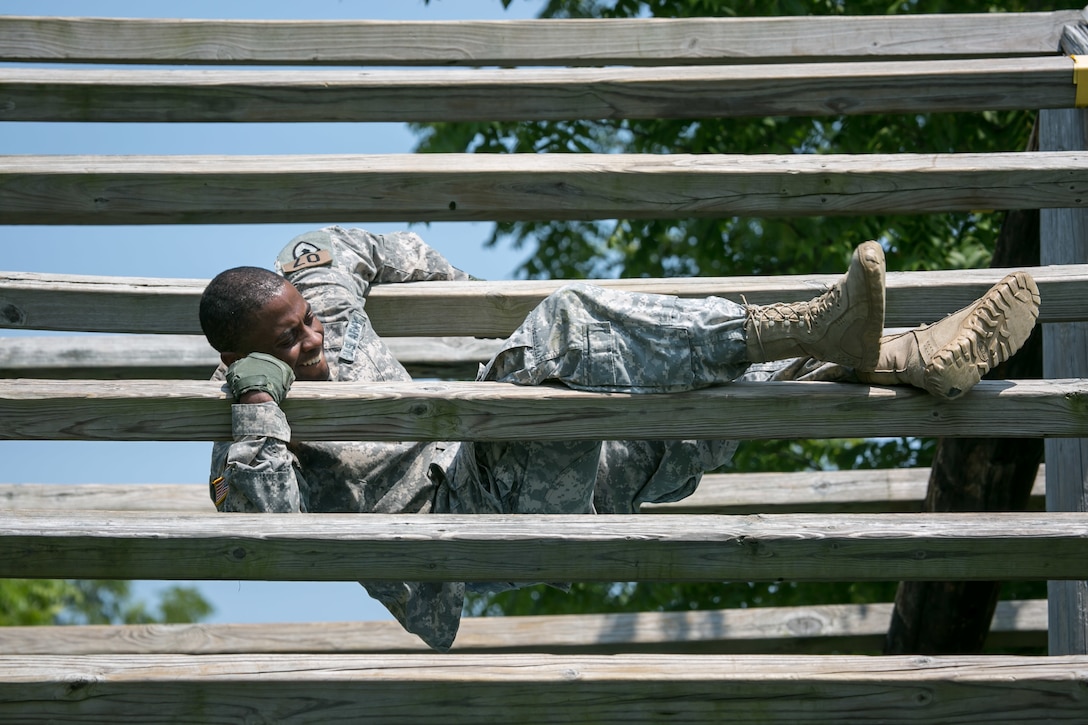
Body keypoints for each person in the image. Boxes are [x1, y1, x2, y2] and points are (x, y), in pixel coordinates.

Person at [199, 225, 1040, 651]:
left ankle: (907, 355)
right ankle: (814, 323)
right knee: (566, 322)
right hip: (467, 521)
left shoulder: (316, 298)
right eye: (288, 344)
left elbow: (348, 248)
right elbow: (271, 539)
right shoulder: (238, 438)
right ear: (239, 357)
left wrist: (465, 309)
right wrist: (258, 407)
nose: (311, 342)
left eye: (305, 323)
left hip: (570, 462)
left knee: (701, 393)